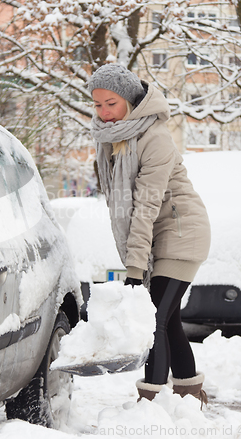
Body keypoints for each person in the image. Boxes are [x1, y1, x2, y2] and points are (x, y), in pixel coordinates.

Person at [88, 63, 211, 406]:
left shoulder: (154, 137)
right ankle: (190, 396)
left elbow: (144, 208)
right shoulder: (111, 139)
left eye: (110, 103)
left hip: (181, 231)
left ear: (129, 100)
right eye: (97, 105)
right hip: (158, 234)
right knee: (169, 322)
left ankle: (150, 404)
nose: (104, 113)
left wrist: (133, 269)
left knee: (154, 319)